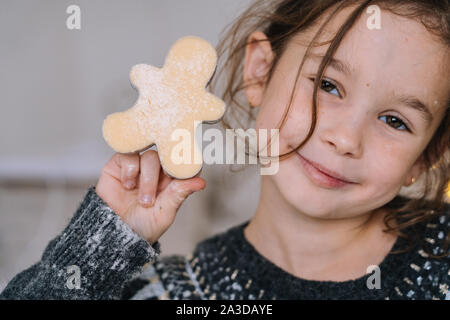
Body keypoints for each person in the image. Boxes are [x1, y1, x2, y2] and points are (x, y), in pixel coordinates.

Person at [1, 0, 449, 300]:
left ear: (426, 156)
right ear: (260, 72)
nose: (346, 140)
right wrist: (102, 245)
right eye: (328, 85)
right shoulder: (178, 294)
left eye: (395, 121)